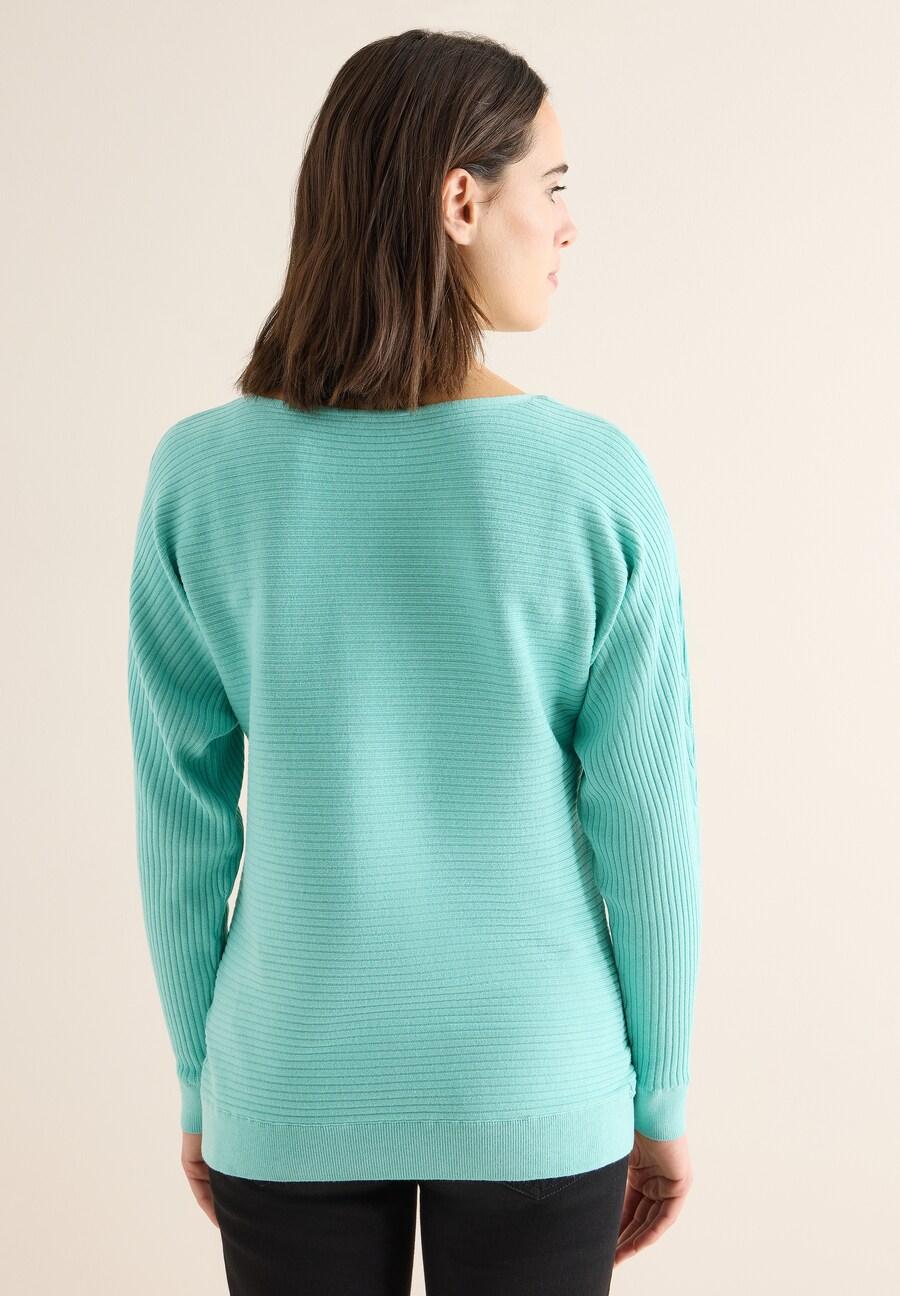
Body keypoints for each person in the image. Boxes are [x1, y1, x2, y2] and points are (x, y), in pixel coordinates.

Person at [126, 27, 702, 1296]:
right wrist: (657, 1094)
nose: (569, 224)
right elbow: (648, 820)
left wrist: (203, 1082)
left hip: (288, 1078)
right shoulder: (594, 481)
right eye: (553, 185)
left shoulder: (200, 477)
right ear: (461, 201)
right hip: (536, 1079)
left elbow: (181, 817)